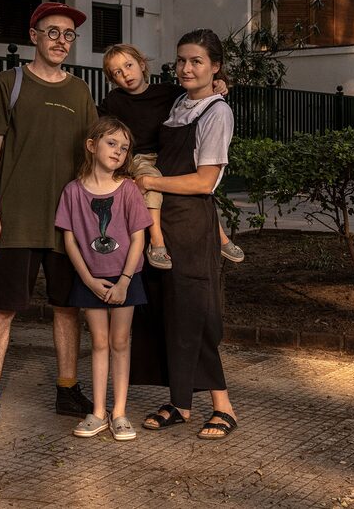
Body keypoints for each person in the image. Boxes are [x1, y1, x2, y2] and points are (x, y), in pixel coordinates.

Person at [0, 2, 98, 438]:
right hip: (15, 221)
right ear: (34, 36)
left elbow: (96, 155)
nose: (61, 40)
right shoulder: (10, 83)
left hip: (67, 225)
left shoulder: (80, 92)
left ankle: (66, 389)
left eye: (69, 35)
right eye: (53, 32)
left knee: (67, 308)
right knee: (3, 309)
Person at [130, 28, 240, 440]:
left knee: (195, 313)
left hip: (192, 223)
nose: (186, 68)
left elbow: (204, 181)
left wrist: (152, 184)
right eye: (181, 60)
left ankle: (223, 406)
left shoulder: (217, 112)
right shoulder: (178, 103)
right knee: (166, 311)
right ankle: (180, 402)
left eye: (196, 61)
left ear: (215, 67)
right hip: (162, 221)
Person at [98, 44, 244, 269]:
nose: (125, 74)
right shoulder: (114, 101)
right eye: (117, 72)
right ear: (111, 78)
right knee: (152, 184)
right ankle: (157, 242)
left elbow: (196, 94)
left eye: (128, 65)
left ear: (142, 64)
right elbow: (97, 126)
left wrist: (219, 83)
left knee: (192, 187)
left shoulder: (167, 92)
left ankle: (221, 237)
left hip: (166, 152)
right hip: (140, 159)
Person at [55, 118, 153, 441]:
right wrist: (89, 281)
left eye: (124, 148)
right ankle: (98, 412)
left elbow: (139, 238)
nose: (118, 152)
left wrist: (125, 280)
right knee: (98, 342)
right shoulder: (72, 191)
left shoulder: (128, 190)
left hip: (126, 277)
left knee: (120, 342)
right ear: (91, 145)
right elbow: (70, 241)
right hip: (90, 279)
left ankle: (120, 412)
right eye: (112, 143)